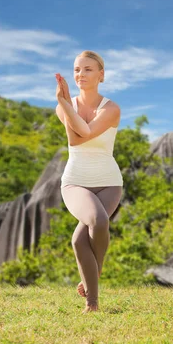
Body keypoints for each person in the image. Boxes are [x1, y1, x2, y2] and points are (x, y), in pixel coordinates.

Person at [55, 50, 123, 313]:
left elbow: (85, 132)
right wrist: (64, 104)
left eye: (87, 69)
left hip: (109, 182)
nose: (80, 75)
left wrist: (65, 105)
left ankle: (91, 302)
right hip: (75, 182)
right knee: (98, 220)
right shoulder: (63, 105)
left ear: (101, 75)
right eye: (76, 70)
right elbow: (74, 140)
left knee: (79, 241)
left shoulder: (111, 108)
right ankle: (95, 281)